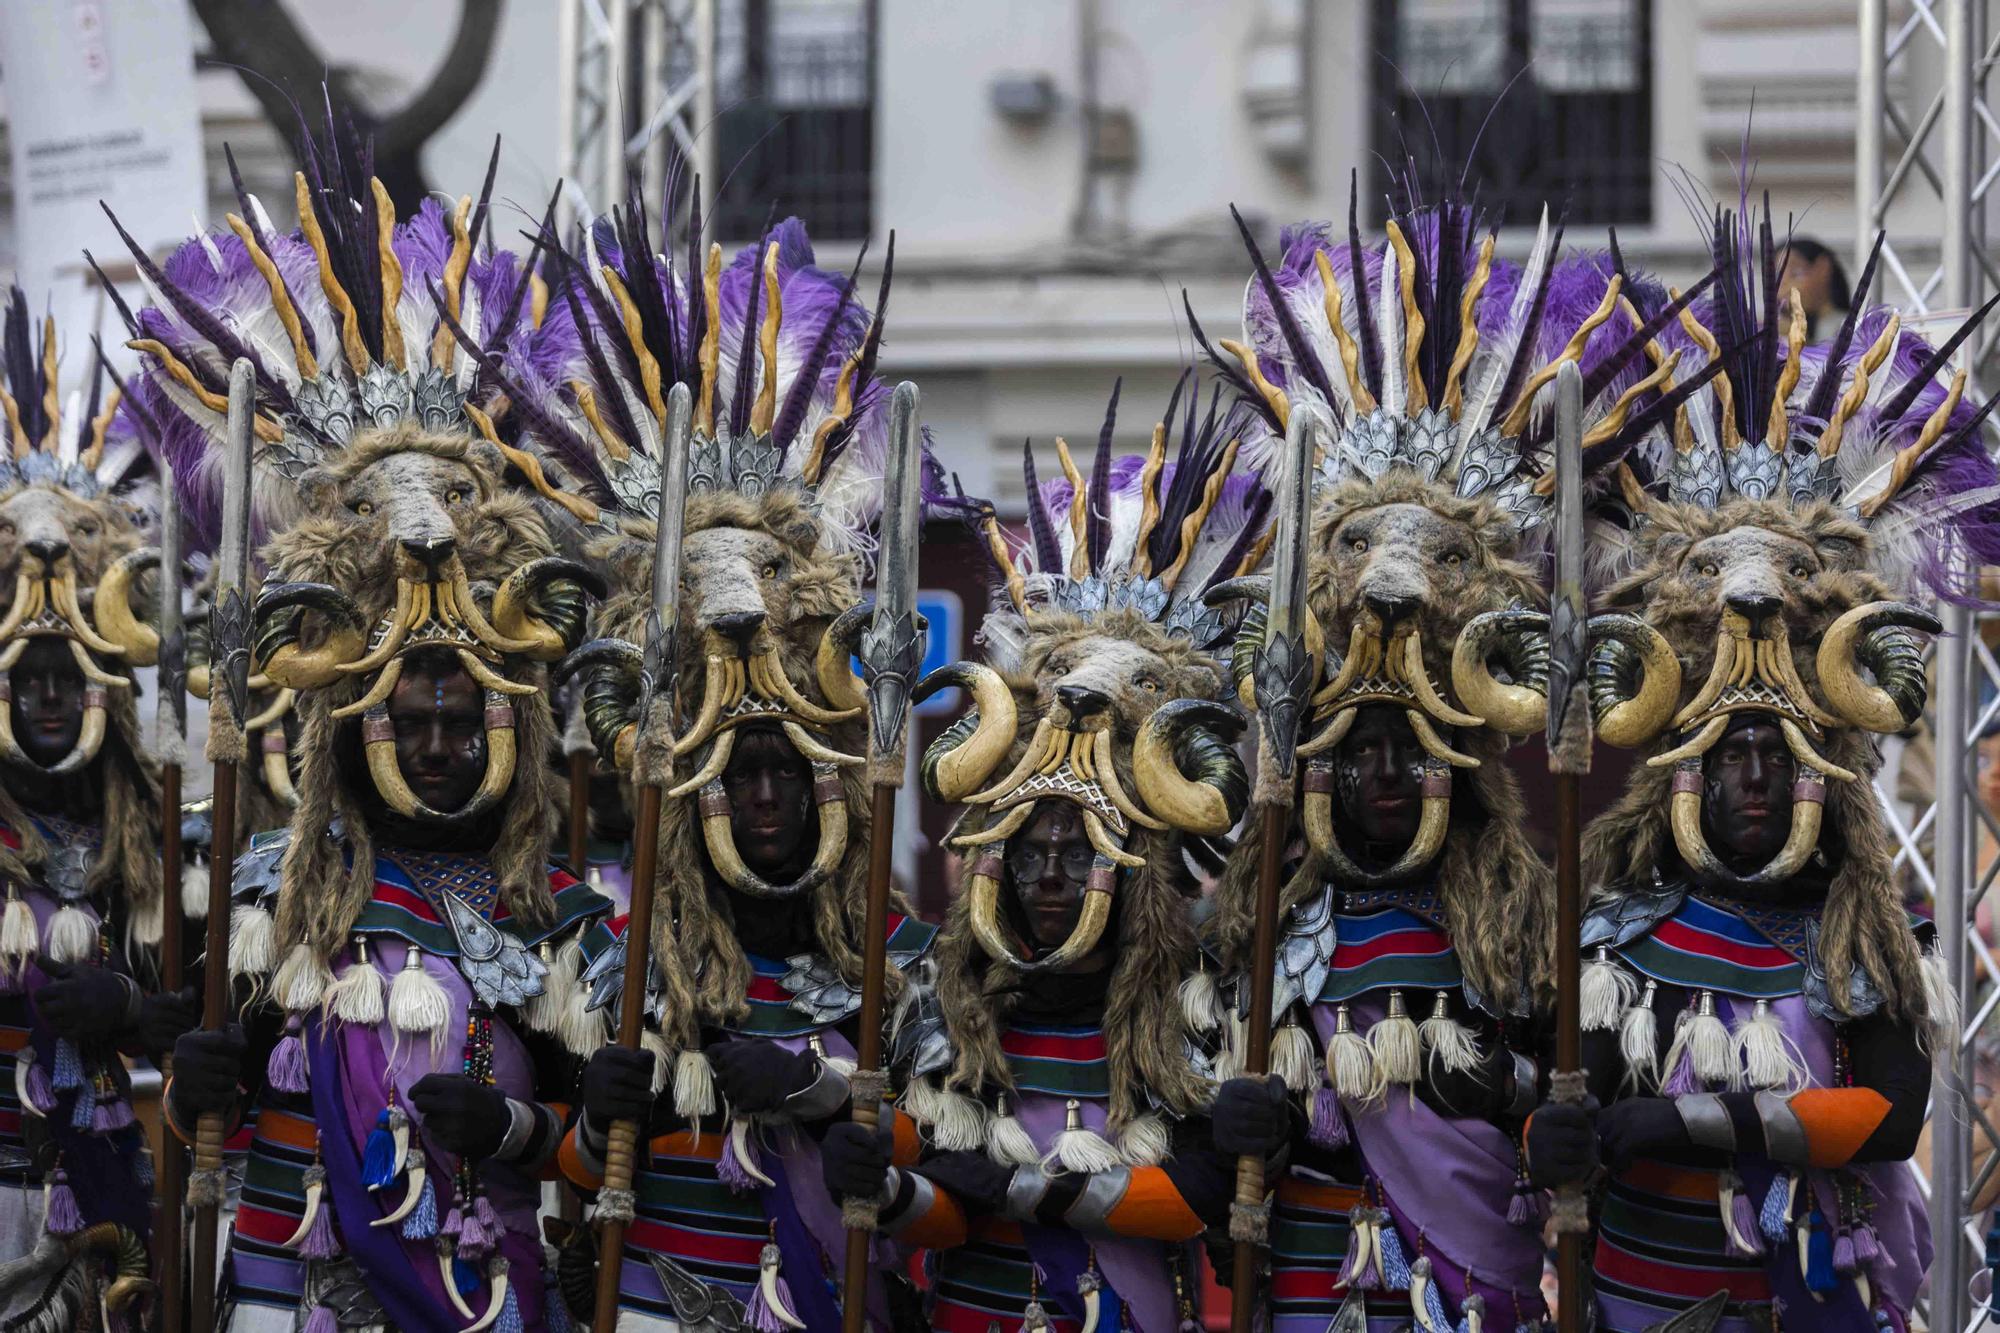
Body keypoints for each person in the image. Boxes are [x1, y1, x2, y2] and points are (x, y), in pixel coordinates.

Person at [1193, 191, 1691, 1330]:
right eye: (1351, 746)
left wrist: (1525, 1105)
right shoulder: (1245, 927)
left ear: (1459, 757)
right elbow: (1178, 1138)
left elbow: (1586, 1123)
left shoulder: (1529, 923)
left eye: (1405, 747)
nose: (1376, 774)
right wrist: (1230, 1132)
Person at [148, 140, 612, 1332]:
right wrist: (188, 1081)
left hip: (478, 1288)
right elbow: (208, 1107)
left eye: (467, 716)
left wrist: (513, 1129)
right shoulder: (268, 900)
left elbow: (592, 1137)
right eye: (414, 718)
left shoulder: (556, 915)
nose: (442, 741)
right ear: (351, 725)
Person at [1525, 205, 1982, 1333]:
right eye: (1724, 753)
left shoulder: (1859, 932)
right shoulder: (1602, 935)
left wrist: (1691, 1126)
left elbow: (1885, 1111)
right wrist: (1549, 1132)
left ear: (1823, 768)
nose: (1750, 781)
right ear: (1675, 761)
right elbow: (1530, 1112)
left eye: (1774, 757)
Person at [552, 205, 930, 1330]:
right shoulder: (610, 955)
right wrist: (585, 1126)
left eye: (785, 770)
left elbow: (943, 1167)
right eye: (731, 772)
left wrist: (820, 1096)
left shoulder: (900, 957)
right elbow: (562, 1163)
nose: (763, 800)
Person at [819, 381, 1264, 1331]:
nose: (1052, 874)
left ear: (1140, 872)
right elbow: (935, 1205)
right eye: (1029, 851)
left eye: (1084, 849)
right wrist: (888, 1187)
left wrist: (1008, 1186)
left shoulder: (1194, 1011)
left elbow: (1193, 1196)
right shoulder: (942, 1009)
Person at [0, 299, 174, 1325]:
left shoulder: (160, 834)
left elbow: (200, 1022)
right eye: (29, 678)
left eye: (71, 675)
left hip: (112, 1187)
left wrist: (128, 1010)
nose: (51, 699)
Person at [1777, 236, 1852, 338]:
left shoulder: (1847, 328)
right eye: (1777, 277)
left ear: (1823, 268)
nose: (1783, 285)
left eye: (1795, 273)